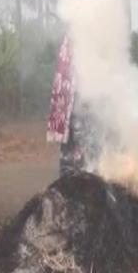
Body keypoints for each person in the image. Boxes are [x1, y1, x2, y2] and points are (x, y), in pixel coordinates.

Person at [47, 35, 99, 176]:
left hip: (90, 100)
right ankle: (70, 181)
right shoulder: (72, 38)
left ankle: (88, 177)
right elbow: (65, 72)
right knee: (73, 144)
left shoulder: (97, 36)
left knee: (91, 142)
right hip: (72, 97)